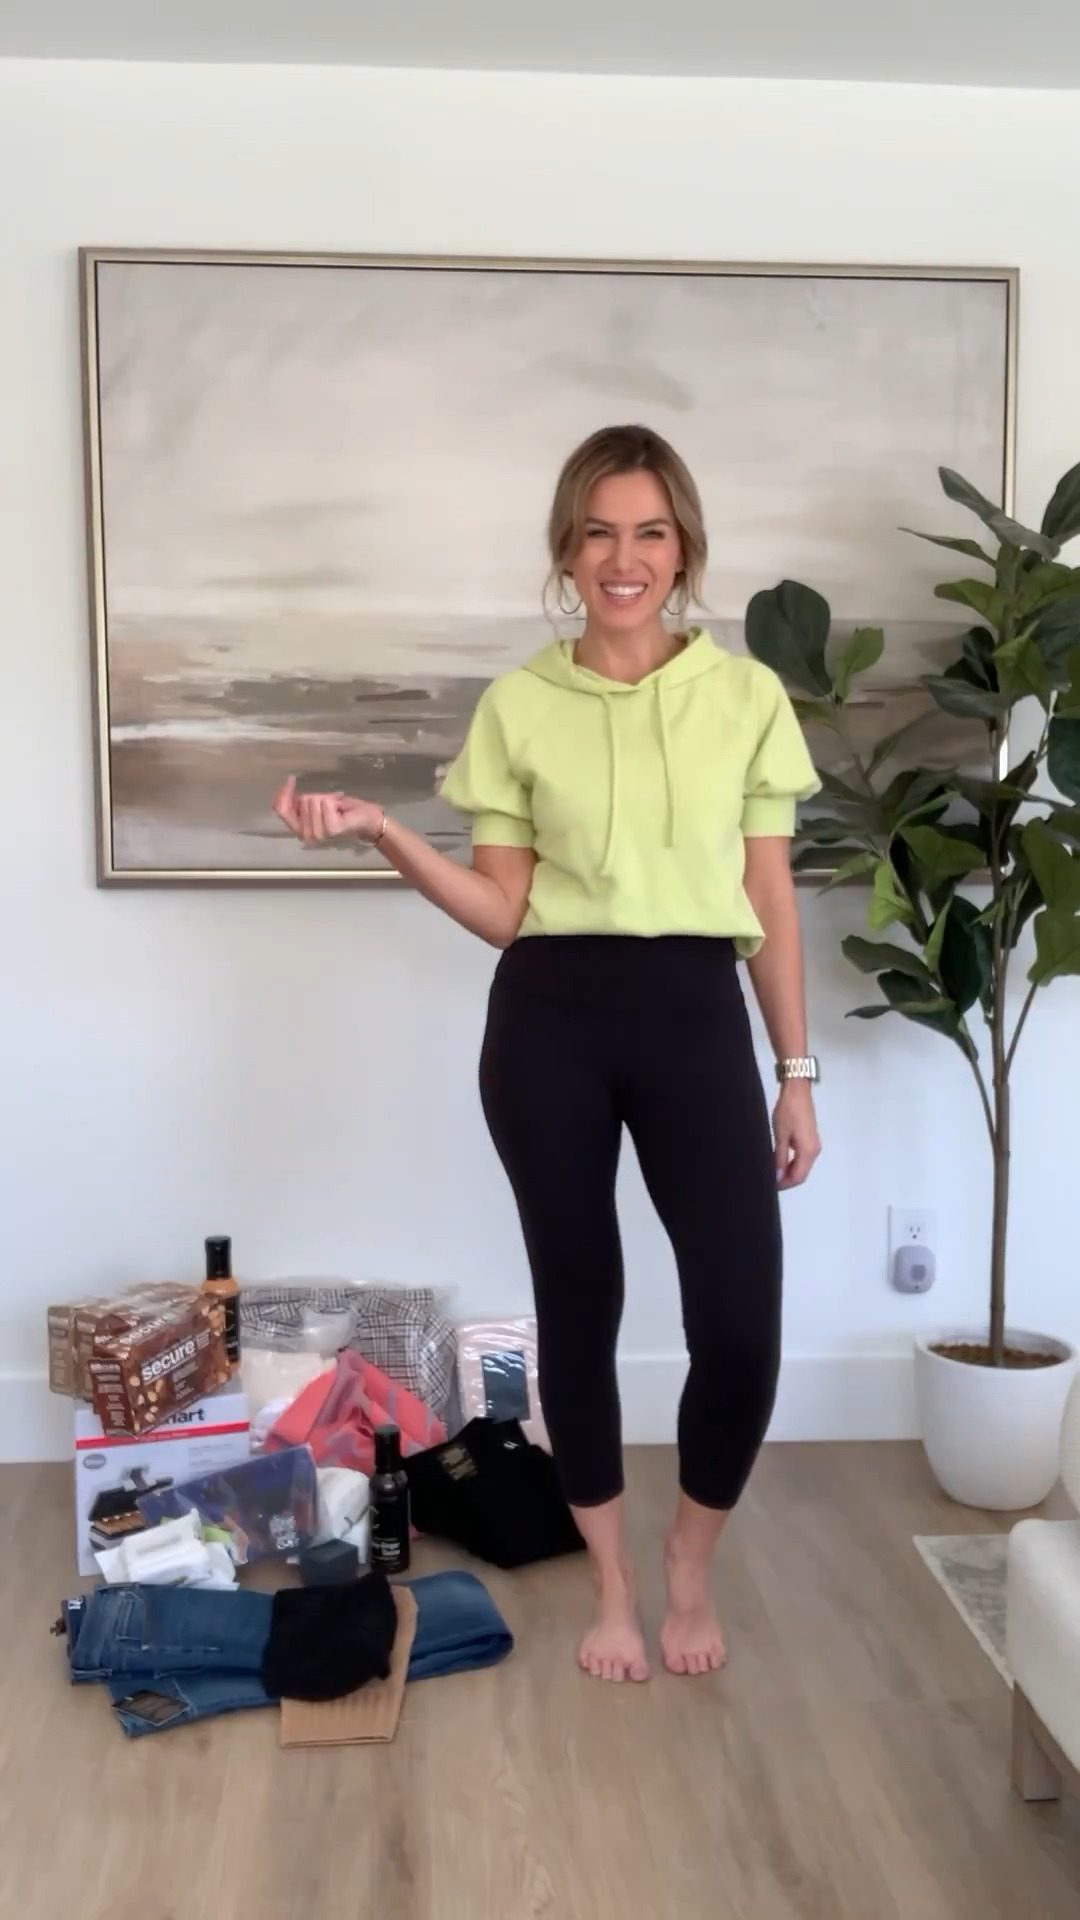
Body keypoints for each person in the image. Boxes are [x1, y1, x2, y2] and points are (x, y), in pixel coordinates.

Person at [273, 423, 823, 1684]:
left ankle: (690, 1560)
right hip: (549, 1025)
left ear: (683, 548)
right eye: (599, 533)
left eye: (650, 533)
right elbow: (503, 911)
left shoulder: (744, 697)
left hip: (696, 1016)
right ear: (566, 552)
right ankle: (616, 1586)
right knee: (580, 1310)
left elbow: (770, 900)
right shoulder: (520, 704)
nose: (625, 559)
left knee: (742, 1322)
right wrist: (388, 835)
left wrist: (795, 1072)